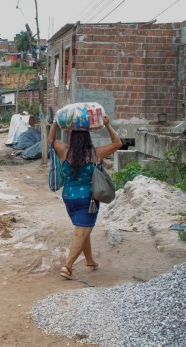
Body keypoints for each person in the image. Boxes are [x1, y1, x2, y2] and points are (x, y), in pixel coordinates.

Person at [48, 115, 122, 280]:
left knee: (83, 230)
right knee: (80, 233)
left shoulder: (64, 151)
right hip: (87, 199)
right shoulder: (95, 153)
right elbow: (118, 143)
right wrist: (108, 125)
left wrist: (54, 123)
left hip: (69, 198)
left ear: (72, 139)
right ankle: (68, 266)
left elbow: (50, 139)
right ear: (88, 138)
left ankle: (90, 262)